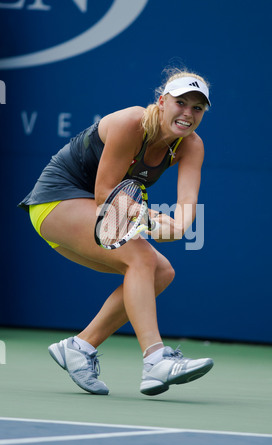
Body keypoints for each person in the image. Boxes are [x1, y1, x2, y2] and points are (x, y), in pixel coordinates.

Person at [18, 68, 214, 396]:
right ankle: (156, 361)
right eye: (181, 103)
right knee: (140, 258)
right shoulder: (132, 123)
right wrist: (151, 217)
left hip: (96, 209)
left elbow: (185, 209)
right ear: (162, 102)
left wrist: (176, 228)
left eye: (197, 108)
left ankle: (79, 348)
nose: (187, 113)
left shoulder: (191, 146)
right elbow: (104, 193)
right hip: (55, 201)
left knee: (162, 272)